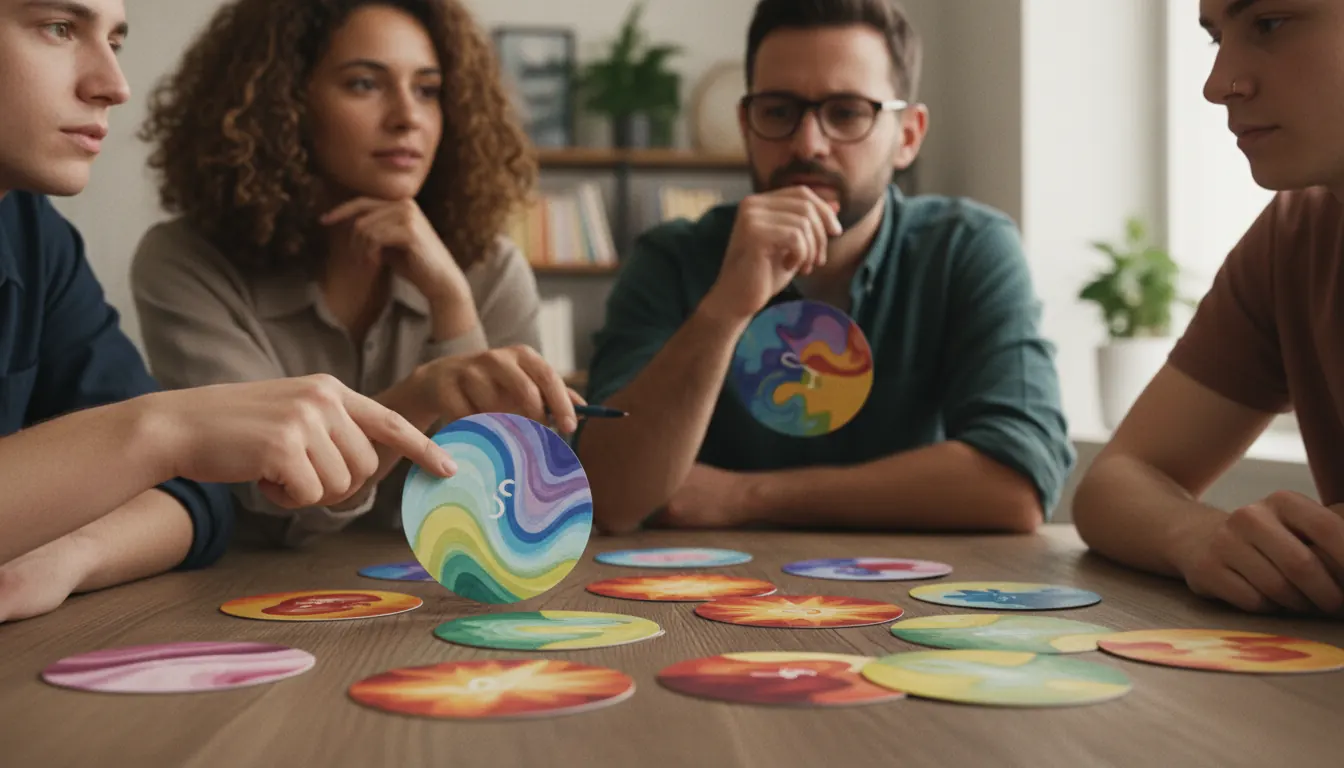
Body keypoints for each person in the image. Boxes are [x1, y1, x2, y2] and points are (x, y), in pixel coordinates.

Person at [0, 0, 455, 623]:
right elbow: (193, 472)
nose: (113, 86)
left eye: (115, 41)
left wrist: (62, 555)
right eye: (59, 29)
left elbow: (190, 499)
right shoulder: (175, 256)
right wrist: (166, 432)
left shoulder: (36, 238)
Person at [576, 0, 1074, 535]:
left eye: (847, 112)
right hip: (695, 600)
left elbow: (1017, 482)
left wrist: (745, 496)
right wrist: (726, 307)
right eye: (778, 111)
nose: (808, 144)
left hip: (920, 594)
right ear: (746, 125)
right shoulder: (671, 259)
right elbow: (609, 497)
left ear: (907, 135)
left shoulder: (967, 249)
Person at [130, 0, 579, 547]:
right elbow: (279, 500)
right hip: (237, 595)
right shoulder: (186, 263)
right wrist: (421, 394)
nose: (407, 117)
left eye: (428, 90)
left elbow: (515, 507)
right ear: (286, 103)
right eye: (365, 84)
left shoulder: (489, 268)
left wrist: (453, 305)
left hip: (437, 598)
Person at [1074, 0, 1344, 616]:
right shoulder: (1293, 235)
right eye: (1215, 37)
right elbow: (1118, 480)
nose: (1218, 84)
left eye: (1269, 24)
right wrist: (1201, 537)